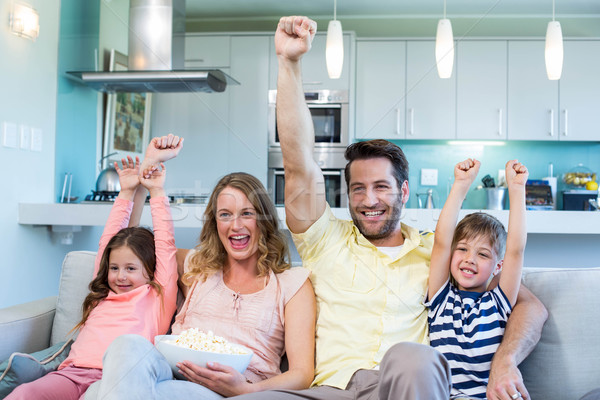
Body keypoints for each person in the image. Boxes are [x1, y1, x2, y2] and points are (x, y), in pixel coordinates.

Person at [230, 16, 548, 400]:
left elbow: (529, 305)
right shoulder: (324, 240)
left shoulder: (442, 252)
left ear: (405, 191)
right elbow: (298, 162)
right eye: (358, 189)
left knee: (415, 358)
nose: (368, 200)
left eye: (382, 186)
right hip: (334, 389)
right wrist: (289, 63)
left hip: (407, 385)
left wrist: (505, 361)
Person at [85, 140, 316, 399]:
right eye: (225, 215)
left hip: (231, 389)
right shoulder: (197, 267)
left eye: (247, 214)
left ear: (264, 219)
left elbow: (302, 373)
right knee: (126, 344)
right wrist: (147, 173)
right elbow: (127, 250)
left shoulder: (291, 284)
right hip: (168, 370)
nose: (235, 225)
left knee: (104, 392)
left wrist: (248, 389)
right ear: (215, 223)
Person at [7, 156, 178, 400]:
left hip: (115, 379)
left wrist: (157, 191)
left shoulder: (157, 296)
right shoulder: (103, 294)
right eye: (115, 268)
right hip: (71, 373)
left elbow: (165, 243)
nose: (120, 276)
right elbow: (107, 238)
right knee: (23, 394)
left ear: (150, 271)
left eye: (131, 269)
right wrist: (126, 191)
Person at [426, 158, 529, 399]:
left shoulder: (499, 303)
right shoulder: (440, 298)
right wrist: (461, 185)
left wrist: (516, 190)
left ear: (498, 267)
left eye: (483, 254)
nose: (470, 259)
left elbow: (516, 249)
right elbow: (441, 241)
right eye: (462, 249)